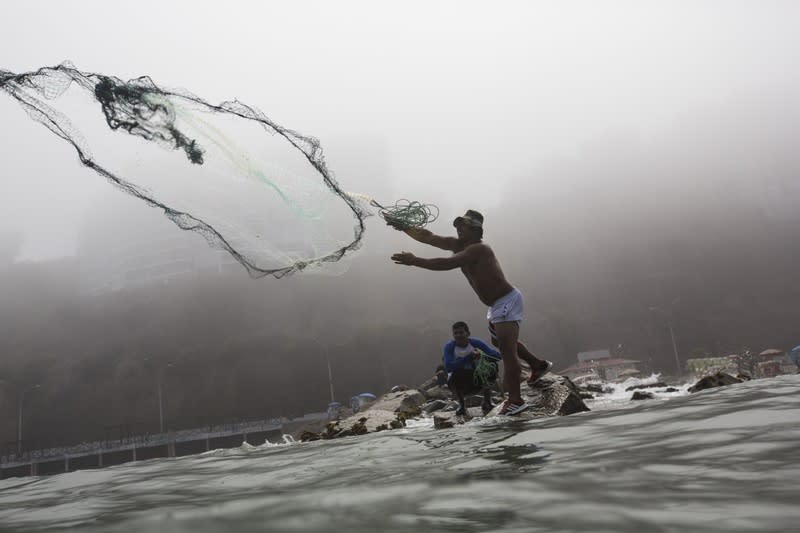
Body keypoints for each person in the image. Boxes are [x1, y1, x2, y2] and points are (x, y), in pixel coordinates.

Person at [391, 209, 553, 416]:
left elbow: (446, 263)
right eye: (457, 225)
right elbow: (429, 237)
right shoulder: (458, 245)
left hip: (507, 300)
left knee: (506, 350)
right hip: (495, 306)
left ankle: (515, 400)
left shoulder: (479, 249)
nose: (459, 229)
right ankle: (537, 365)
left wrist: (415, 261)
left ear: (476, 229)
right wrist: (404, 226)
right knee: (499, 343)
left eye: (464, 225)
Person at [443, 321, 501, 416]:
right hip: (458, 383)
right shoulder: (449, 347)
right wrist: (469, 357)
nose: (458, 335)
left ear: (468, 333)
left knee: (492, 367)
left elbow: (497, 356)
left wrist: (482, 356)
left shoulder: (475, 343)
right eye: (456, 333)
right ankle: (462, 405)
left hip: (477, 381)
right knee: (456, 372)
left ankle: (487, 401)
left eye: (461, 332)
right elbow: (449, 367)